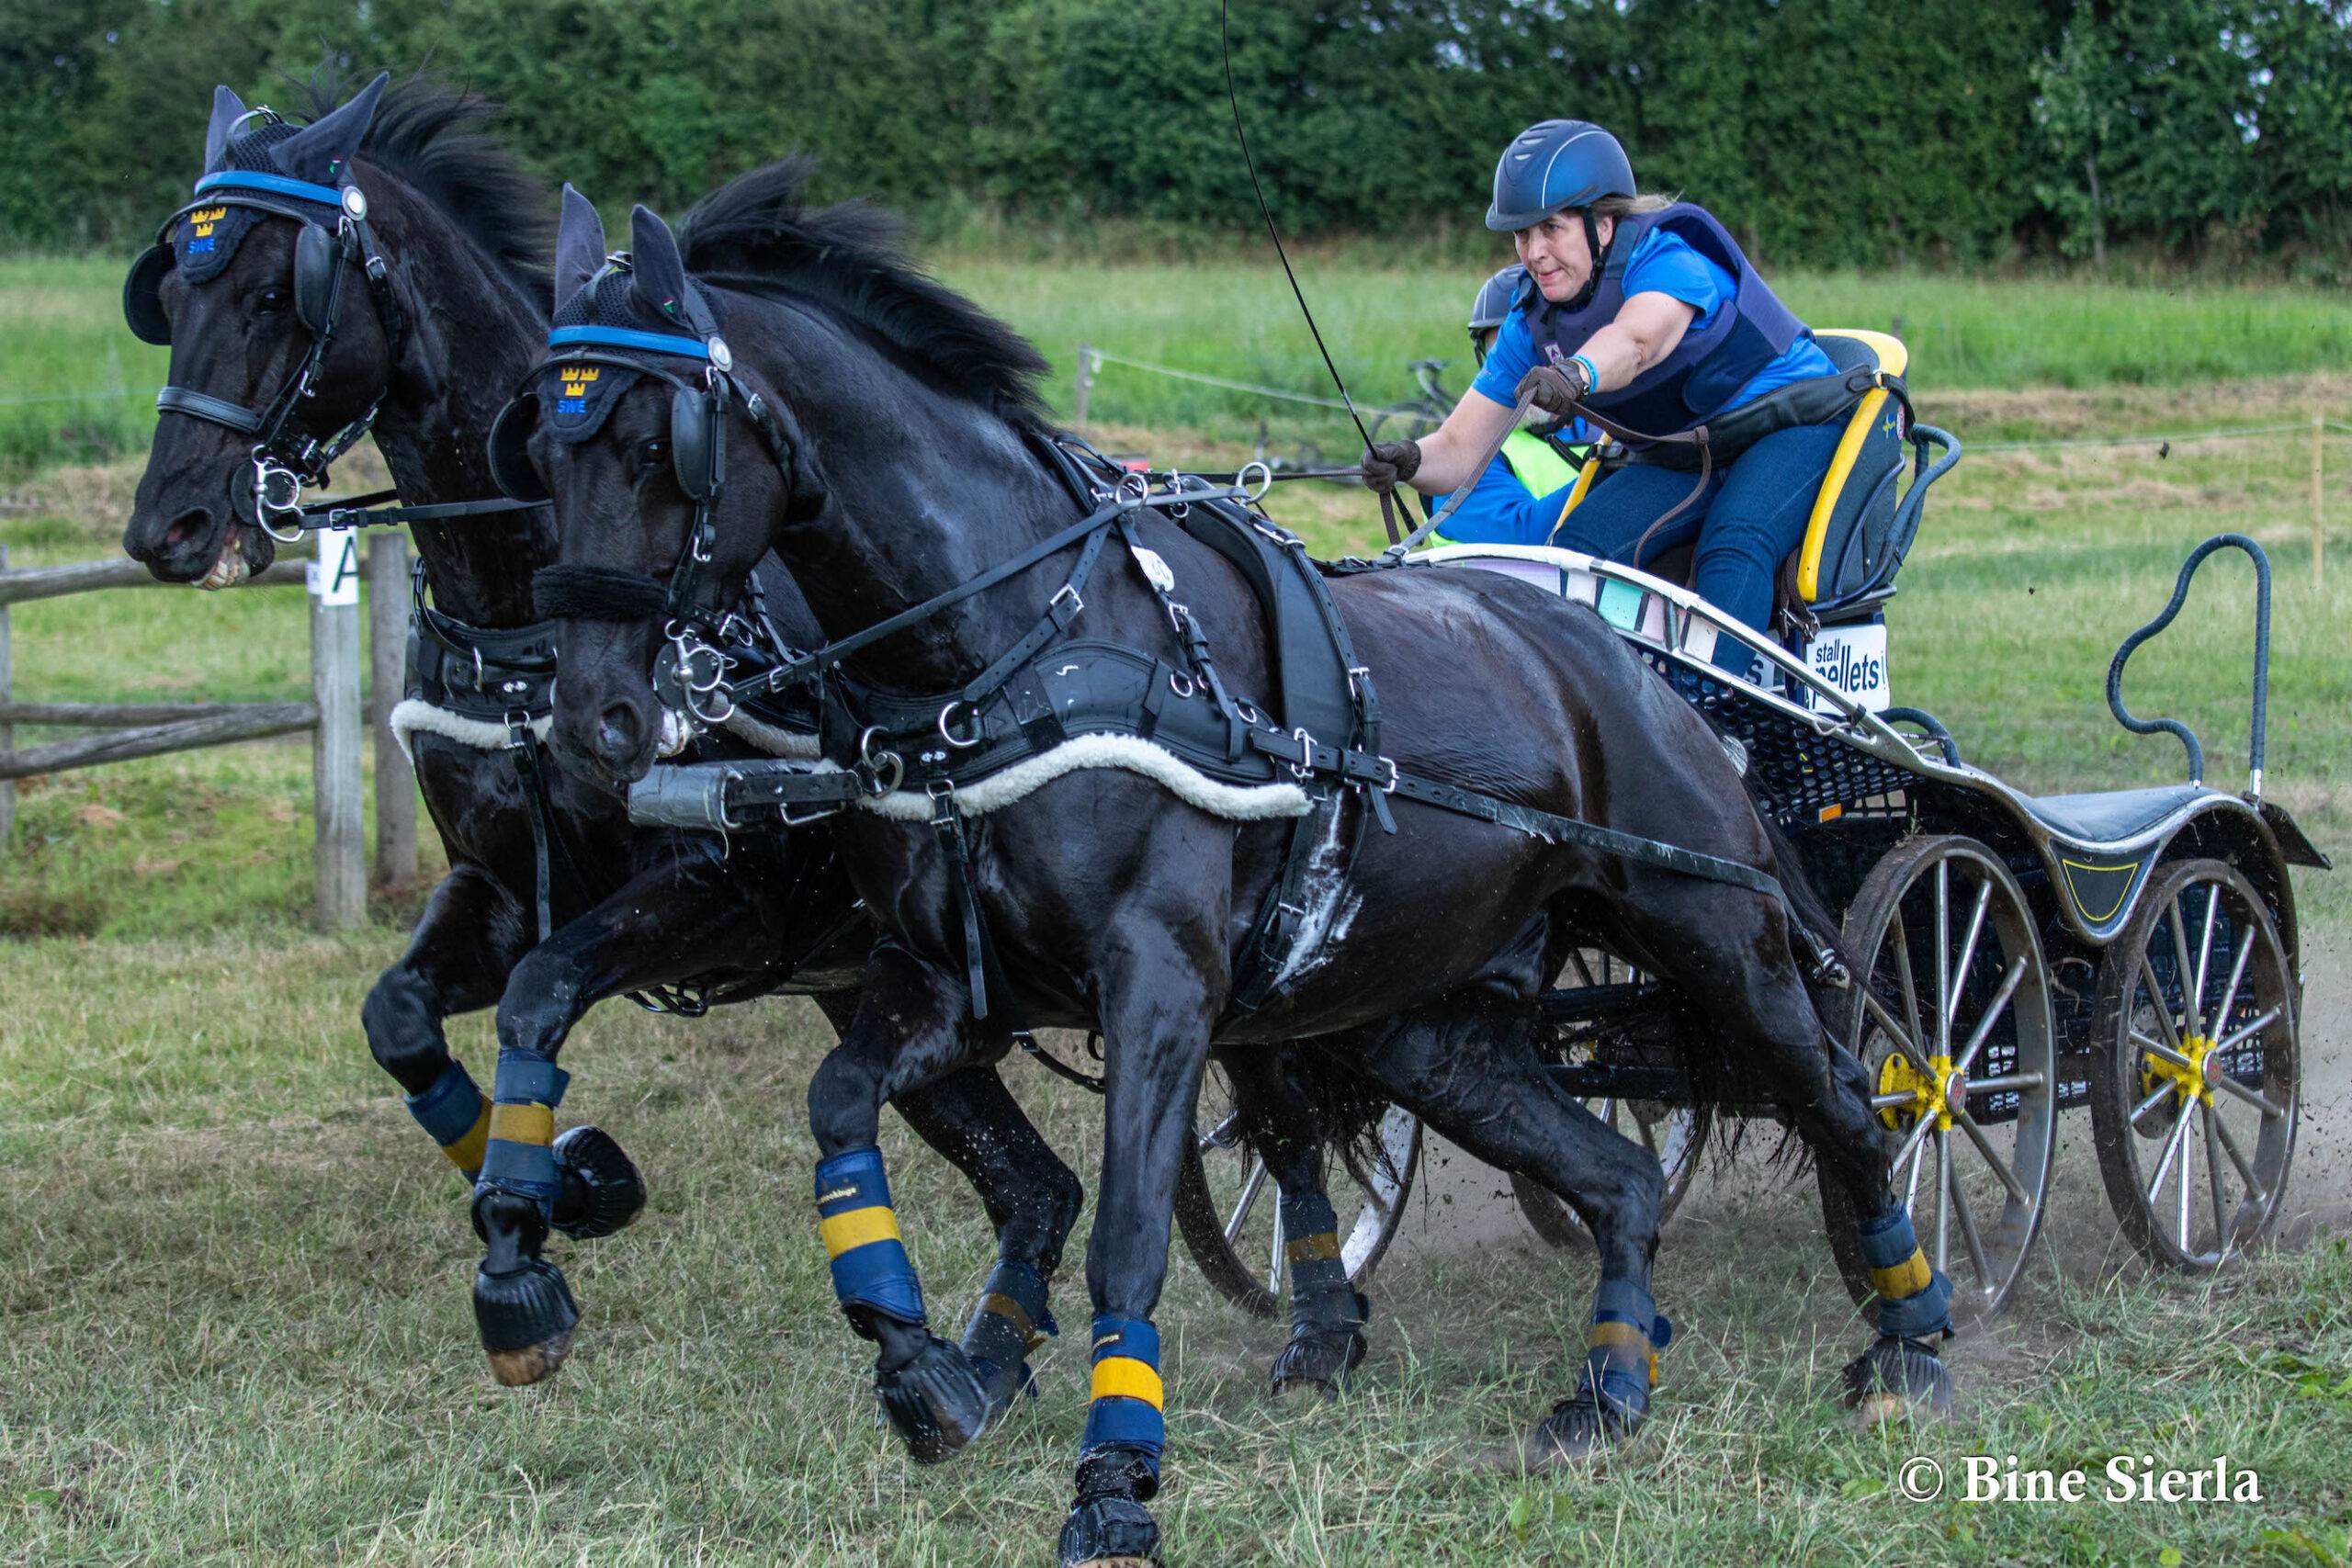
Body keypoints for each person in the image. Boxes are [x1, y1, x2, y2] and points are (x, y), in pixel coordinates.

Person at [1364, 119, 1852, 665]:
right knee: (1576, 557)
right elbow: (1459, 449)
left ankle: (1717, 735)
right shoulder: (1530, 326)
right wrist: (1408, 460)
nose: (1534, 253)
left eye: (1551, 228)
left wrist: (1576, 374)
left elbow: (1637, 340)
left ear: (1603, 223)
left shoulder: (1668, 260)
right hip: (1686, 451)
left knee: (1735, 543)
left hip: (1791, 425)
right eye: (1522, 235)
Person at [1422, 264, 1589, 547]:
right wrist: (1628, 468)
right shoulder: (1465, 456)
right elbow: (1528, 537)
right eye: (1506, 359)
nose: (1523, 377)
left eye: (1534, 353)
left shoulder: (1601, 428)